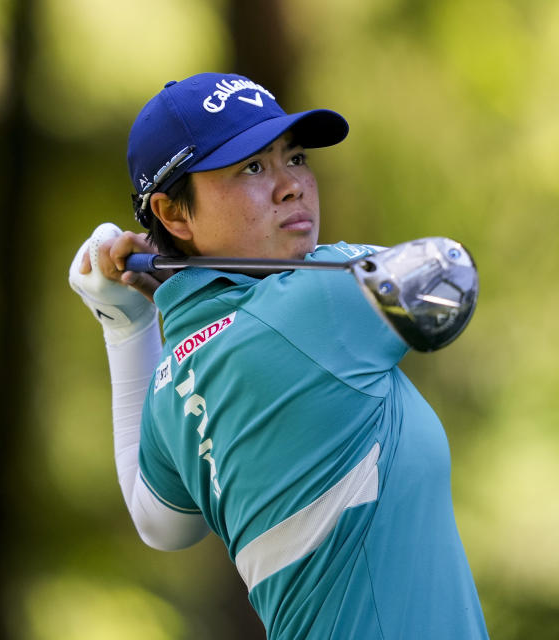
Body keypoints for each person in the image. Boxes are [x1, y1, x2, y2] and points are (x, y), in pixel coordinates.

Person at [68, 72, 489, 639]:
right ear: (173, 215)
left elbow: (158, 523)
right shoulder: (318, 303)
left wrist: (127, 325)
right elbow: (446, 269)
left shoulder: (171, 385)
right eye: (252, 168)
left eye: (294, 158)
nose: (292, 186)